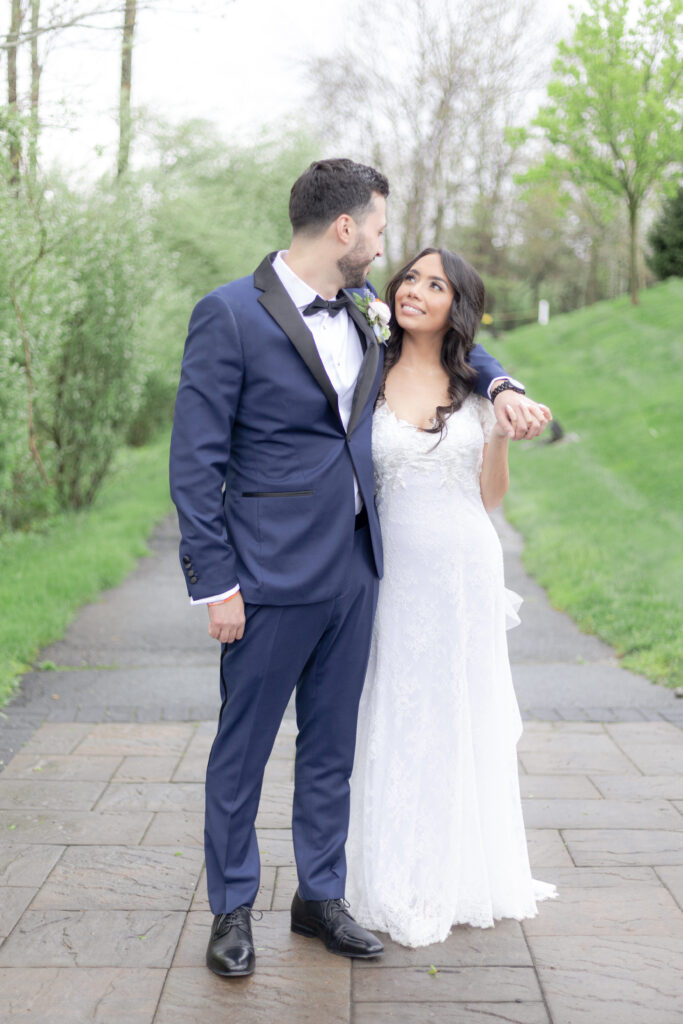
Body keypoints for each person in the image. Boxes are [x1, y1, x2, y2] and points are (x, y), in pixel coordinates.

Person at [169, 159, 551, 978]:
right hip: (266, 579)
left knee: (333, 747)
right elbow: (194, 465)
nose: (381, 248)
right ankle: (232, 908)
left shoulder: (364, 314)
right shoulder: (229, 314)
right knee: (243, 749)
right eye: (377, 232)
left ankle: (320, 895)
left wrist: (505, 380)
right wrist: (216, 583)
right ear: (344, 229)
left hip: (358, 570)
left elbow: (451, 351)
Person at [345, 248, 557, 948]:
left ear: (455, 305)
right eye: (409, 276)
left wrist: (497, 434)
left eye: (434, 285)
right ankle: (392, 870)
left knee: (460, 712)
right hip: (392, 575)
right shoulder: (365, 366)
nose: (413, 290)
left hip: (462, 571)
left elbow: (487, 500)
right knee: (399, 710)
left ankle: (464, 869)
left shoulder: (475, 386)